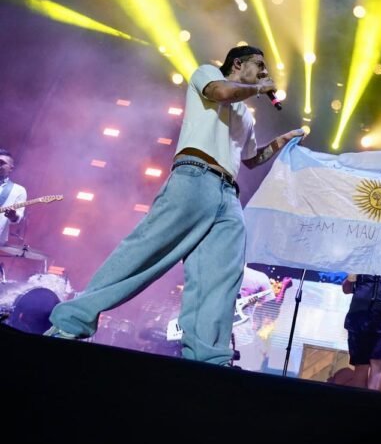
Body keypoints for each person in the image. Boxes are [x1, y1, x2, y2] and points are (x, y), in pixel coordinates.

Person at [45, 45, 305, 366]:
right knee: (147, 250)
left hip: (228, 193)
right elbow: (222, 92)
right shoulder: (208, 75)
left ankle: (208, 357)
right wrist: (257, 88)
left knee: (221, 276)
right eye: (259, 66)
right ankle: (71, 320)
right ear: (238, 63)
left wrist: (284, 140)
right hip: (195, 175)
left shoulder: (245, 116)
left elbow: (252, 159)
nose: (265, 73)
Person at [0, 149, 27, 246]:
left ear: (11, 168)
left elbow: (17, 217)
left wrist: (13, 215)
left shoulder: (18, 190)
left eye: (1, 163)